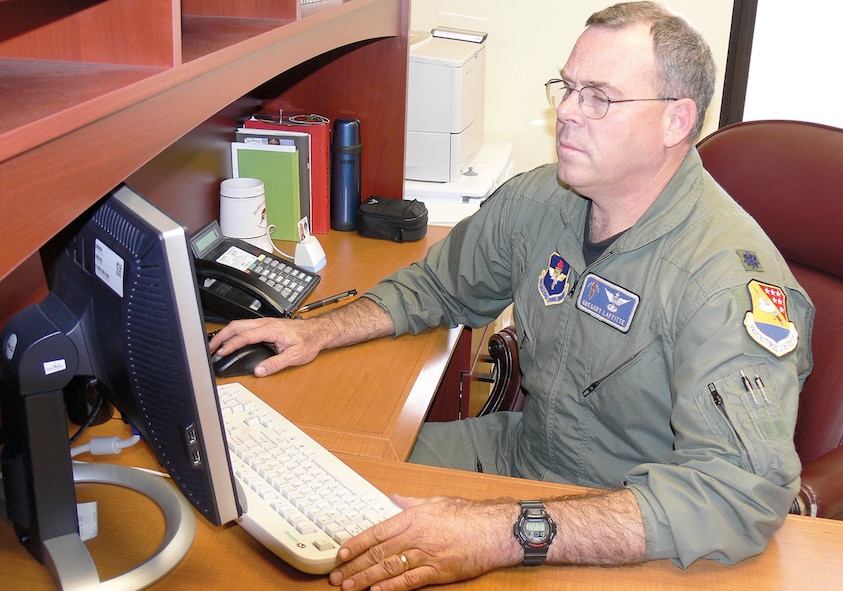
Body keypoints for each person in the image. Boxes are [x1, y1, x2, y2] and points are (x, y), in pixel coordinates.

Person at [210, 2, 814, 589]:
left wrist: (506, 531)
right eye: (568, 87)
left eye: (599, 97)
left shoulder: (727, 286)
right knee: (320, 484)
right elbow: (438, 284)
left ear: (675, 121)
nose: (568, 114)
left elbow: (736, 494)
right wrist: (322, 328)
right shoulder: (545, 199)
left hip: (626, 519)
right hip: (521, 455)